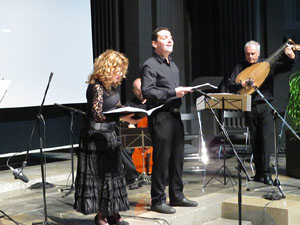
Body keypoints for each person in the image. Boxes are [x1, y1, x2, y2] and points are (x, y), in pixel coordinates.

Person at [74, 49, 139, 225]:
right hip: (95, 138)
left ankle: (113, 212)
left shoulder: (112, 87)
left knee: (114, 175)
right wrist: (120, 117)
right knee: (100, 178)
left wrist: (133, 112)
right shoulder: (96, 86)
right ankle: (101, 216)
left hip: (109, 136)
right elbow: (97, 114)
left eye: (122, 70)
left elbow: (116, 107)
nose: (121, 74)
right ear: (108, 68)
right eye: (118, 69)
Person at [141, 27, 198, 214]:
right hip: (161, 116)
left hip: (175, 115)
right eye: (164, 37)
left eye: (171, 37)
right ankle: (157, 200)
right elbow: (148, 92)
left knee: (177, 158)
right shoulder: (150, 65)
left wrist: (180, 93)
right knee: (162, 159)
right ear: (154, 43)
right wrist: (173, 92)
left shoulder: (173, 66)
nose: (169, 40)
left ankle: (177, 196)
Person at [227, 40, 295, 185]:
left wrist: (291, 58)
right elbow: (230, 84)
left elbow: (286, 68)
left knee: (266, 140)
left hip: (265, 106)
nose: (250, 57)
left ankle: (267, 174)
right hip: (249, 107)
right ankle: (258, 173)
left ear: (258, 52)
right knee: (255, 140)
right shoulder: (240, 66)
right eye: (248, 54)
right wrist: (243, 84)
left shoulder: (268, 65)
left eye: (253, 54)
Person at [121, 78, 147, 189]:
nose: (141, 92)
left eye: (142, 89)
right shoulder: (129, 104)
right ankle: (133, 178)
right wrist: (128, 125)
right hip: (136, 136)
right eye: (138, 90)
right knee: (123, 147)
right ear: (133, 91)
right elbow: (125, 121)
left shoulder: (154, 101)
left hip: (155, 133)